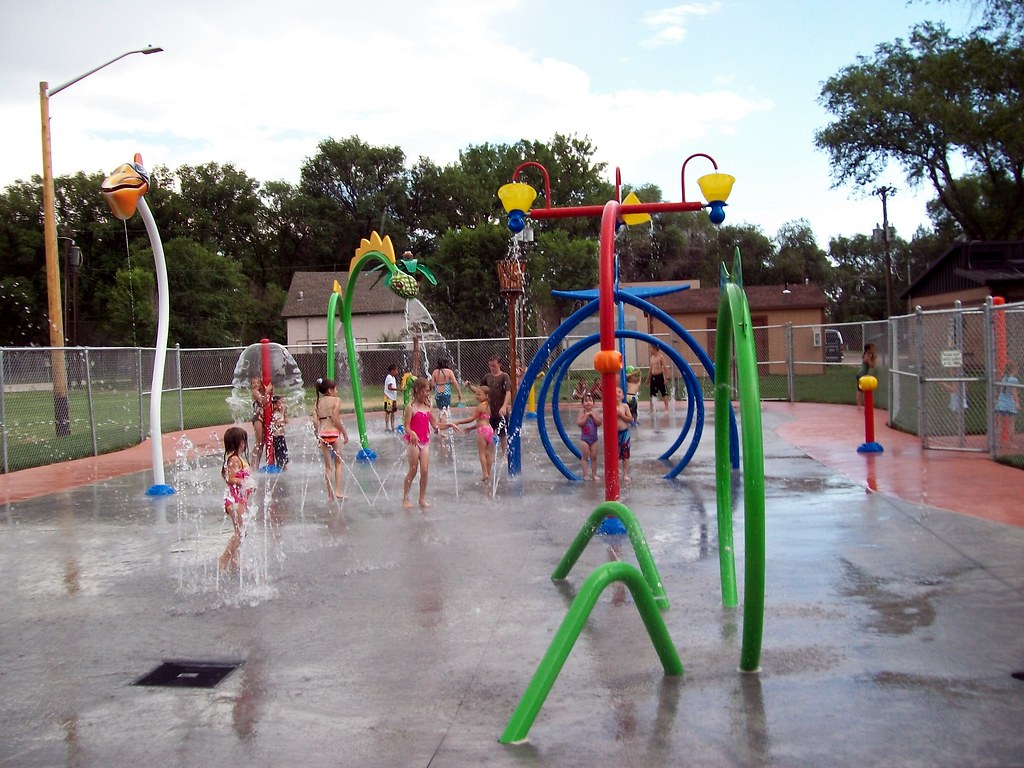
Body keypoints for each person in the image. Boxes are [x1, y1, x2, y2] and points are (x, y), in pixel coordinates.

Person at [403, 377, 453, 508]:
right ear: (417, 390)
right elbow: (406, 426)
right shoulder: (410, 408)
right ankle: (405, 498)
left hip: (425, 442)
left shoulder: (428, 408)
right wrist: (412, 433)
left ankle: (422, 498)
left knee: (425, 470)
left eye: (429, 392)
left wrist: (450, 425)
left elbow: (435, 425)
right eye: (426, 391)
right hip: (414, 443)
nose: (428, 394)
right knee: (413, 471)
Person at [219, 426, 254, 571]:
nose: (245, 444)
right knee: (240, 532)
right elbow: (230, 478)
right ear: (238, 442)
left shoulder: (238, 458)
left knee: (241, 531)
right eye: (243, 441)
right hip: (235, 501)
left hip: (240, 499)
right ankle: (223, 559)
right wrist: (245, 483)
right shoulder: (234, 459)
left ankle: (234, 560)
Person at [312, 378, 349, 500]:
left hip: (323, 434)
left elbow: (315, 421)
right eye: (335, 388)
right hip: (333, 433)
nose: (337, 391)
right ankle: (338, 491)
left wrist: (317, 434)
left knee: (327, 466)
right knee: (338, 463)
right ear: (329, 390)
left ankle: (330, 494)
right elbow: (335, 419)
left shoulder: (318, 402)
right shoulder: (336, 400)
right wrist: (344, 432)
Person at [453, 385, 495, 483]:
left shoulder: (480, 407)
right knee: (488, 453)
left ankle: (484, 473)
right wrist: (471, 428)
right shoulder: (489, 406)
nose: (477, 396)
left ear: (486, 396)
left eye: (479, 394)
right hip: (489, 430)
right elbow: (482, 421)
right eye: (476, 394)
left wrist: (459, 422)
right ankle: (489, 473)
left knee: (481, 453)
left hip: (482, 431)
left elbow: (472, 418)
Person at [478, 354, 513, 454]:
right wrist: (469, 386)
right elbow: (480, 391)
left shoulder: (504, 376)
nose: (491, 368)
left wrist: (504, 406)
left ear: (500, 365)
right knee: (489, 434)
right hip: (490, 412)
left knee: (503, 435)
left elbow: (508, 392)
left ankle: (505, 456)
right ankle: (490, 455)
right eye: (490, 366)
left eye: (494, 366)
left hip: (501, 411)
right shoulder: (487, 377)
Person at [576, 391, 601, 481]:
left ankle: (594, 475)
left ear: (593, 403)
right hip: (584, 439)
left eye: (590, 400)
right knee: (585, 457)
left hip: (594, 439)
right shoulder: (582, 413)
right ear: (582, 404)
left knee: (594, 457)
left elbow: (599, 423)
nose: (588, 402)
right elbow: (579, 423)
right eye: (585, 401)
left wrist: (593, 416)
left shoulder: (595, 412)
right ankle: (586, 474)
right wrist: (585, 417)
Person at [250, 377, 272, 467]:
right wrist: (267, 392)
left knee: (262, 442)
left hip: (263, 417)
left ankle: (257, 464)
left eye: (258, 383)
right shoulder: (255, 392)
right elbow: (262, 401)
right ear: (251, 385)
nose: (256, 384)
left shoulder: (261, 392)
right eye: (253, 383)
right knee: (258, 440)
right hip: (257, 417)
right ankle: (252, 464)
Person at [995, 361, 1020, 444]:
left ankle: (997, 441)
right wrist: (1017, 402)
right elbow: (1014, 392)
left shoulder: (1004, 377)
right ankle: (1011, 442)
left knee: (1000, 423)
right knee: (1011, 423)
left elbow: (1000, 390)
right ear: (1014, 370)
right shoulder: (1013, 379)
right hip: (1010, 403)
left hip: (1001, 402)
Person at [615, 386, 633, 483]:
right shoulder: (610, 406)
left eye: (619, 392)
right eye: (614, 392)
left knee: (625, 455)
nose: (617, 393)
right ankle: (615, 472)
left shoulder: (625, 406)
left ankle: (625, 473)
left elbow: (630, 419)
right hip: (614, 435)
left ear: (622, 395)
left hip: (624, 433)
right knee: (615, 454)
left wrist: (621, 415)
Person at [648, 345, 670, 412]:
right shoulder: (652, 357)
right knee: (652, 393)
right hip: (653, 377)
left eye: (651, 348)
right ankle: (651, 408)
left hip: (660, 376)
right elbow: (651, 369)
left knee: (663, 392)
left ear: (655, 349)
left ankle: (666, 408)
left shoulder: (660, 357)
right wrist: (648, 378)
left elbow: (665, 367)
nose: (649, 350)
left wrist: (667, 377)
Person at [270, 395, 289, 470]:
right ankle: (282, 467)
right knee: (280, 453)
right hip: (277, 436)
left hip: (281, 436)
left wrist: (284, 413)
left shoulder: (279, 413)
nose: (283, 405)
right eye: (281, 403)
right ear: (276, 404)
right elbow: (276, 424)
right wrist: (283, 420)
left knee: (284, 452)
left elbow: (286, 421)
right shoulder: (275, 414)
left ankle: (283, 466)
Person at [856, 343, 878, 408]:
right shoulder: (867, 356)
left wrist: (873, 357)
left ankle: (861, 404)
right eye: (872, 348)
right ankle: (859, 405)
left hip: (864, 374)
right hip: (861, 374)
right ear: (868, 350)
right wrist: (874, 358)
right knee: (860, 390)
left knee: (862, 390)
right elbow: (872, 365)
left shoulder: (868, 355)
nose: (874, 349)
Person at [383, 363, 399, 432]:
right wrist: (398, 389)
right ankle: (387, 426)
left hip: (393, 398)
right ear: (392, 370)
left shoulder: (393, 378)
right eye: (396, 370)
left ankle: (392, 426)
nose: (397, 372)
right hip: (389, 398)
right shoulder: (389, 377)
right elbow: (389, 387)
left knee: (393, 412)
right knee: (388, 412)